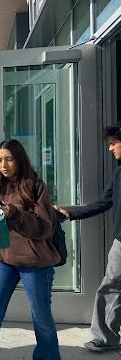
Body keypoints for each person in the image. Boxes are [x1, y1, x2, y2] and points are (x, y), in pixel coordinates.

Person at [0, 139, 61, 360]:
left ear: (19, 160)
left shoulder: (36, 186)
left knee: (42, 320)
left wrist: (14, 212)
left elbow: (43, 228)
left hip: (35, 264)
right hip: (4, 260)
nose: (4, 165)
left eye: (9, 159)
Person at [54, 122, 121, 353]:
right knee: (110, 287)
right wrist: (70, 213)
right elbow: (104, 202)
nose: (111, 149)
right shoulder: (120, 171)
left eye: (114, 143)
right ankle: (105, 338)